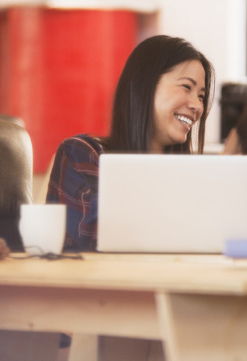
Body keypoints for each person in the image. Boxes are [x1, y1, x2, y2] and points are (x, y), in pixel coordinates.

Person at [46, 35, 214, 252]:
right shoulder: (83, 155)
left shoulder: (192, 174)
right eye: (186, 87)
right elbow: (90, 244)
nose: (197, 106)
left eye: (201, 96)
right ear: (146, 85)